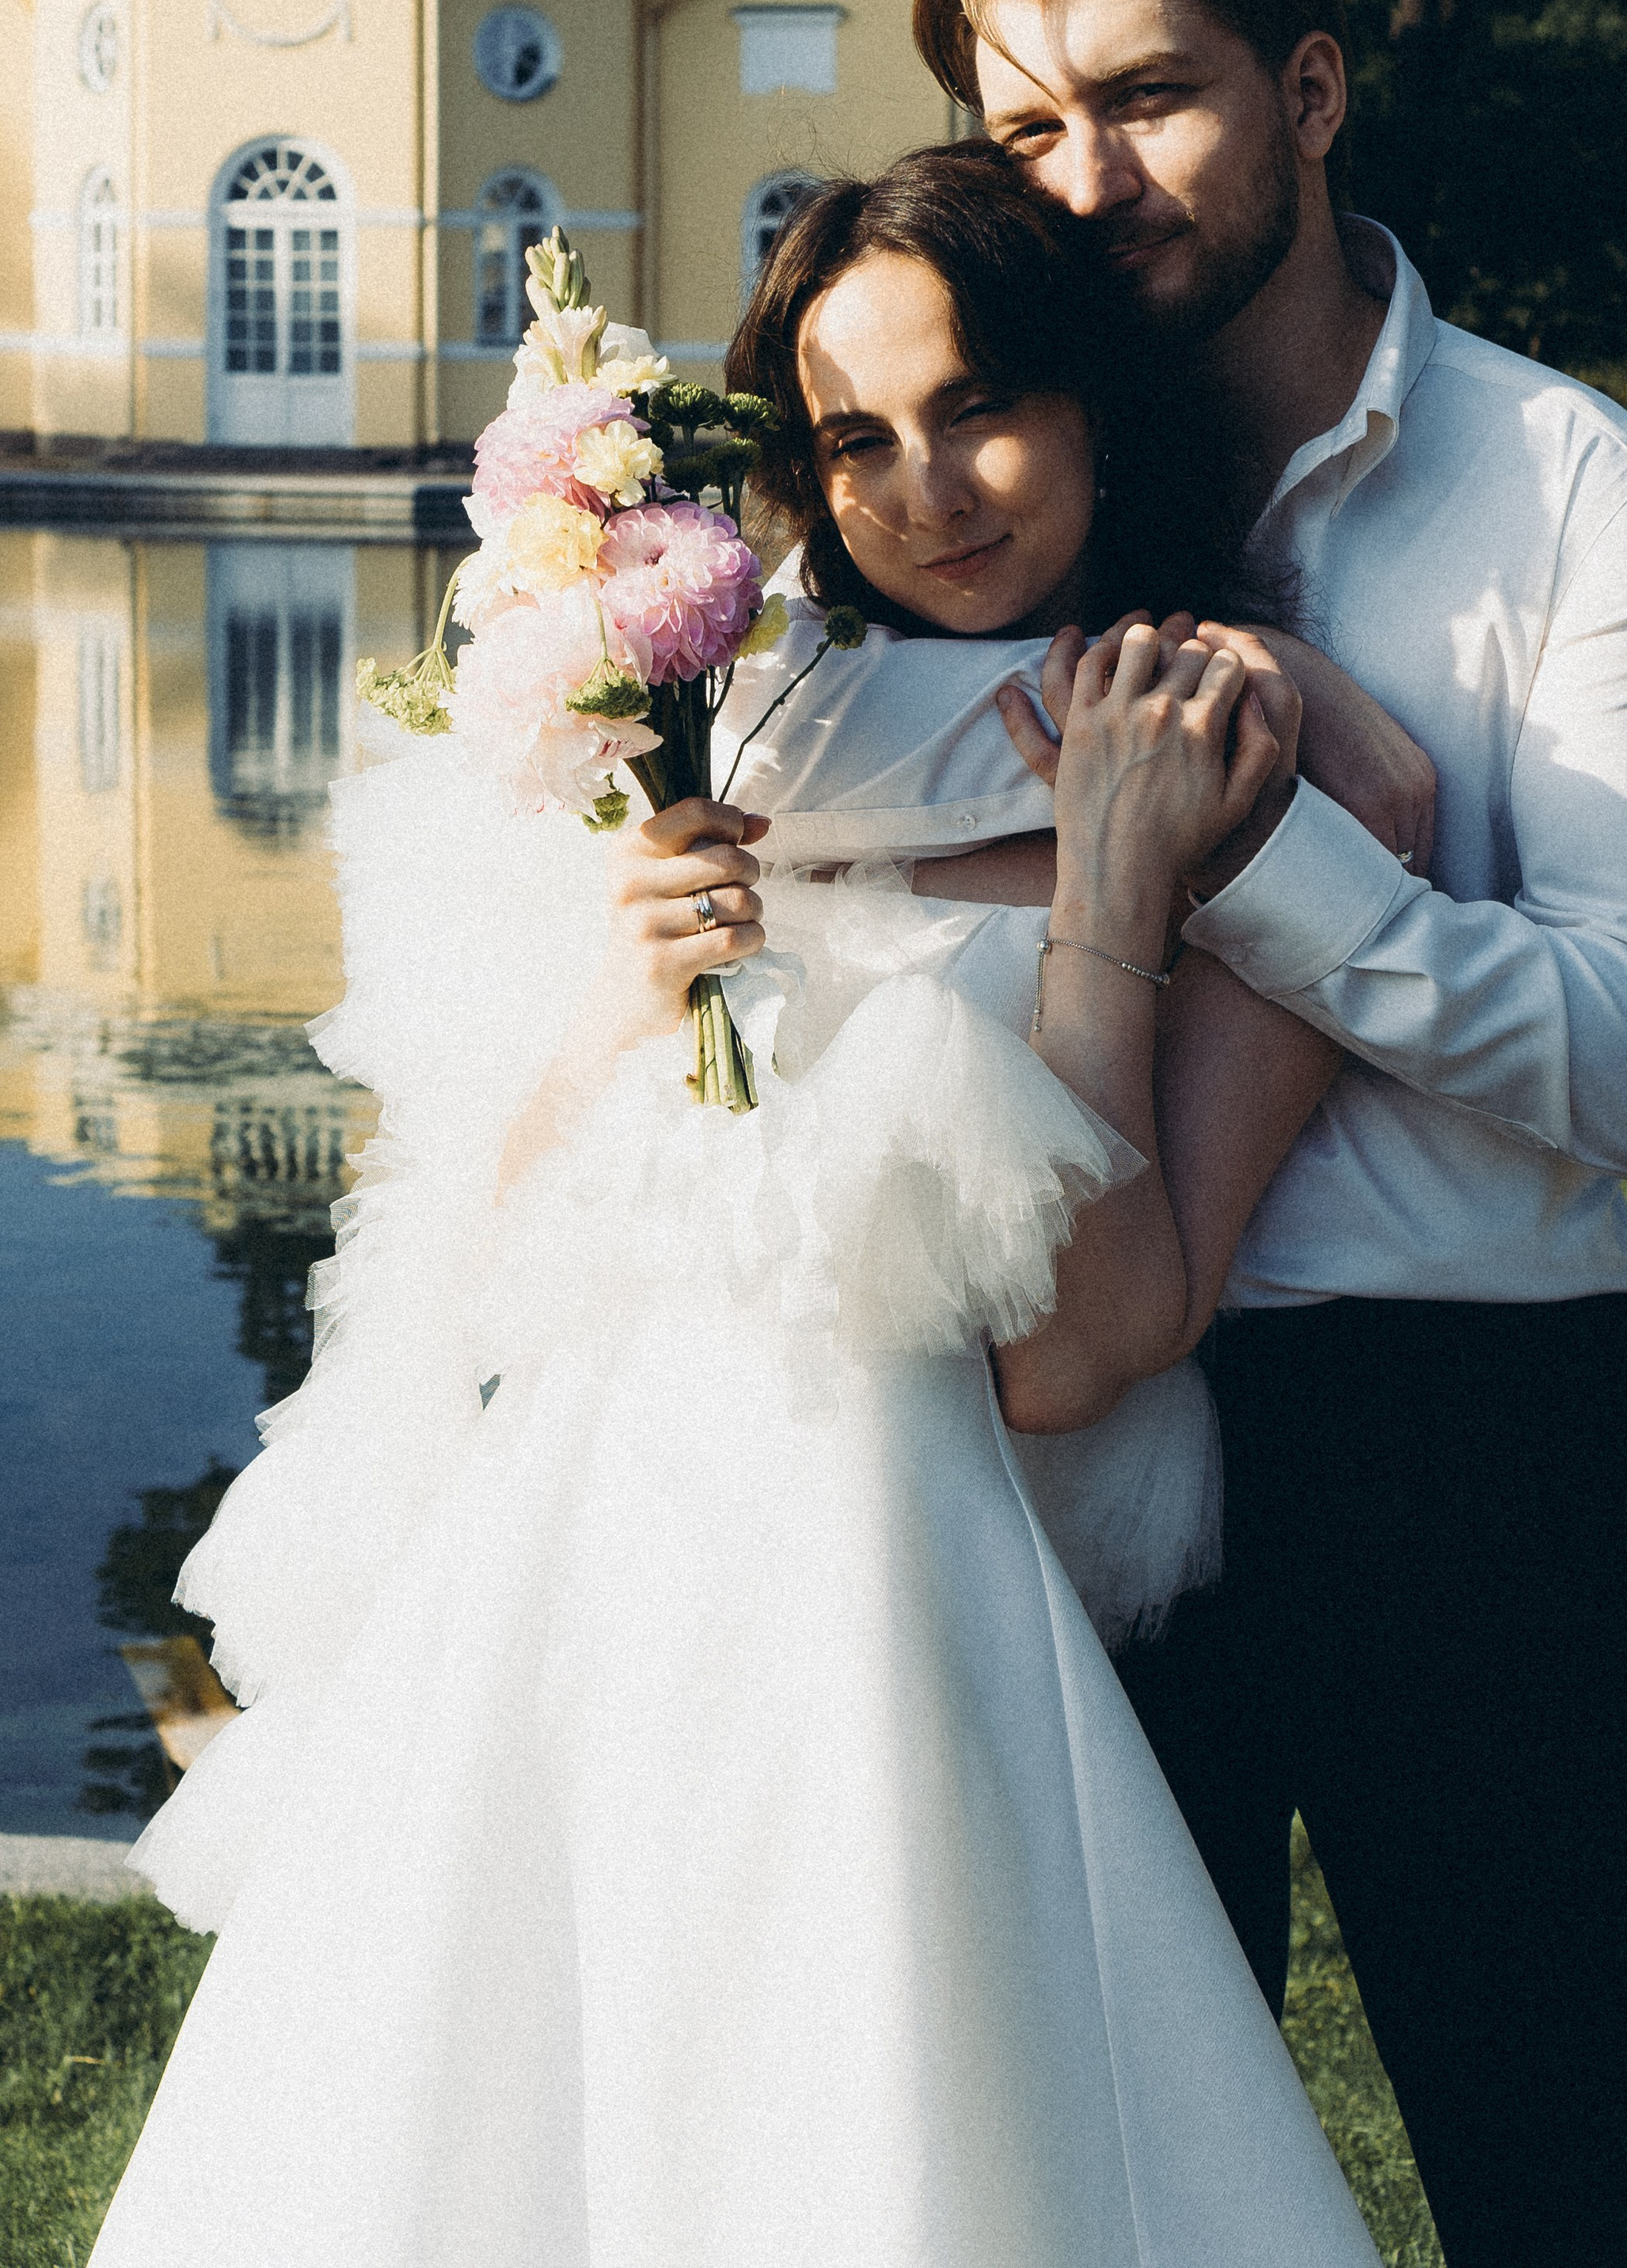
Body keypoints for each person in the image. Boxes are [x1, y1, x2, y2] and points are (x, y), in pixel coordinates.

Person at [89, 154, 1386, 2268]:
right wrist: (624, 993)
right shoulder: (734, 741)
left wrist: (1112, 910)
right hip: (576, 1595)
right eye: (855, 439)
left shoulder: (1221, 788)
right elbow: (509, 1272)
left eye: (980, 407)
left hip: (892, 1625)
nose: (928, 490)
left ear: (1093, 408)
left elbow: (1076, 1353)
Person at [819, 0, 1627, 2268]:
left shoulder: (1574, 493)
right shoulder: (991, 493)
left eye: (1154, 99)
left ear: (1312, 88)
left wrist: (1272, 870)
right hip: (1082, 1464)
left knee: (1580, 2199)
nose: (1089, 179)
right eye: (1031, 131)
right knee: (1101, 2206)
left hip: (1479, 1456)